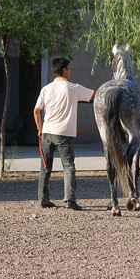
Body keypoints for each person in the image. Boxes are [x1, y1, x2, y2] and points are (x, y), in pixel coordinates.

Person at [33, 58, 96, 210]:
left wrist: (40, 129)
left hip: (47, 132)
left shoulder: (46, 89)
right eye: (69, 68)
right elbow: (95, 94)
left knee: (45, 167)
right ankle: (70, 200)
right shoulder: (73, 88)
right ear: (64, 71)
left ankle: (43, 199)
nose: (70, 70)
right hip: (64, 134)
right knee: (68, 166)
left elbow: (36, 110)